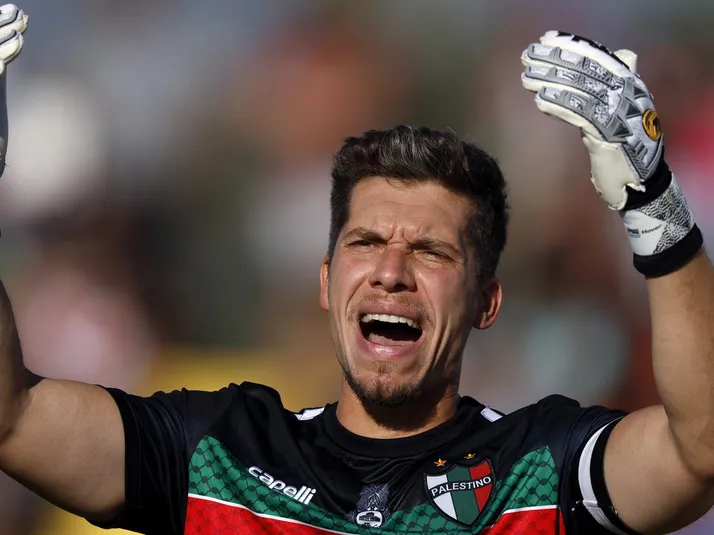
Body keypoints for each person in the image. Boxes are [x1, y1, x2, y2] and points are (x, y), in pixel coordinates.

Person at [0, 8, 713, 535]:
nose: (390, 272)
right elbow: (13, 418)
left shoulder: (537, 470)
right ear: (325, 280)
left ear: (486, 302)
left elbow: (701, 449)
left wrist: (655, 204)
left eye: (431, 252)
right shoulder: (220, 456)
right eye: (366, 243)